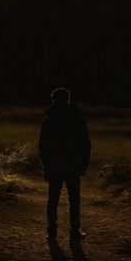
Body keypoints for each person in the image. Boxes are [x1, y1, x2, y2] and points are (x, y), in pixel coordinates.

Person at [39, 87, 91, 241]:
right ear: (68, 100)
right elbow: (85, 146)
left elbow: (43, 146)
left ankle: (52, 231)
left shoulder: (48, 121)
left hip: (55, 165)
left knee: (53, 198)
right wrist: (83, 166)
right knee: (74, 199)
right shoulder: (79, 120)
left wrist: (46, 166)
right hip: (74, 165)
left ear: (54, 100)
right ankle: (75, 230)